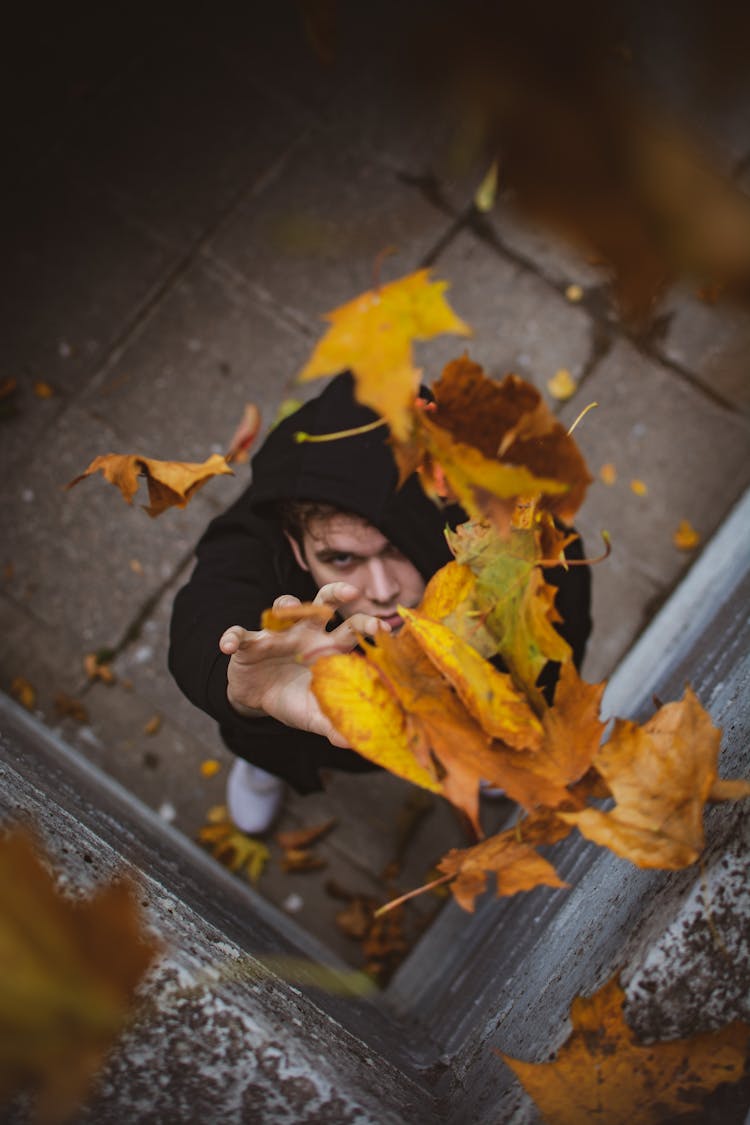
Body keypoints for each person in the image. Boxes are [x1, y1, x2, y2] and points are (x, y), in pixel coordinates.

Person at [168, 372, 592, 833]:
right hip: (304, 727)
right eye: (342, 558)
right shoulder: (271, 527)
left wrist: (503, 721)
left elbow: (558, 638)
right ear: (295, 546)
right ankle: (268, 763)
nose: (383, 589)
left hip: (452, 712)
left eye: (398, 548)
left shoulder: (512, 537)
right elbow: (208, 610)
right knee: (264, 733)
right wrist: (249, 697)